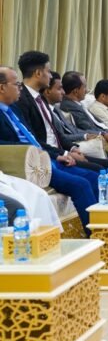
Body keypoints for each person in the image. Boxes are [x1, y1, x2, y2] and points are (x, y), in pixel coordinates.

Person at [0, 65, 97, 232]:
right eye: (16, 84)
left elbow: (34, 140)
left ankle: (107, 229)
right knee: (81, 185)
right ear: (2, 88)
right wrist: (33, 152)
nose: (20, 88)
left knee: (93, 176)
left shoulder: (13, 109)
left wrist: (58, 154)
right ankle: (95, 235)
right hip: (29, 164)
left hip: (45, 157)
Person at [14, 51, 108, 174]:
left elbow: (56, 133)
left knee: (106, 168)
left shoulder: (40, 98)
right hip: (48, 156)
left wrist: (73, 148)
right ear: (38, 73)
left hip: (61, 151)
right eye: (48, 71)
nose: (50, 76)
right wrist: (65, 154)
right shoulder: (22, 100)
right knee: (96, 173)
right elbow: (34, 139)